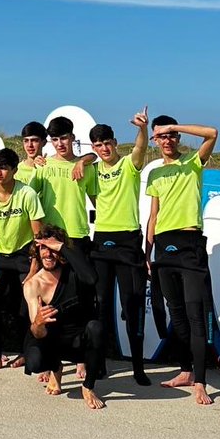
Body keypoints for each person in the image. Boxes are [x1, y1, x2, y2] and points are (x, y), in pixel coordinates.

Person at [144, 115, 219, 405]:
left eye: (170, 135)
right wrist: (147, 252)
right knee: (176, 316)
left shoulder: (192, 162)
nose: (166, 140)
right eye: (160, 136)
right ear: (154, 141)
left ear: (177, 137)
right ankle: (186, 371)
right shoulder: (154, 174)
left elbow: (212, 132)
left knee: (195, 316)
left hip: (190, 244)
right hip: (163, 246)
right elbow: (153, 215)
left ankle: (201, 382)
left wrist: (173, 126)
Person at [89, 108, 152, 386]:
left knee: (133, 305)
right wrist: (83, 160)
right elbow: (90, 194)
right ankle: (99, 363)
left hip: (128, 242)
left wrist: (141, 128)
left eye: (107, 143)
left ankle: (138, 367)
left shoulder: (129, 164)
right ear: (94, 147)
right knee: (100, 307)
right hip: (102, 241)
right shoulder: (92, 170)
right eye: (98, 145)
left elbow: (141, 146)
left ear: (115, 142)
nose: (104, 148)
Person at [0, 147, 45, 372]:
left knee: (28, 305)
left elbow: (38, 234)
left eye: (4, 167)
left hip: (25, 254)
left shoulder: (27, 194)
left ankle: (29, 353)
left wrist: (34, 267)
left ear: (14, 170)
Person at [23, 226, 106, 409]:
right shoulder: (33, 285)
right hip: (53, 340)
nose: (48, 254)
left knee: (96, 328)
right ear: (37, 251)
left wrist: (62, 247)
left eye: (52, 248)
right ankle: (55, 368)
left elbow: (92, 278)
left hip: (78, 340)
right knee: (34, 361)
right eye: (43, 248)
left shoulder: (74, 272)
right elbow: (37, 333)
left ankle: (88, 387)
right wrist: (38, 322)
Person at [30, 116, 98, 251]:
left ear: (72, 137)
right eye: (55, 139)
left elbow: (97, 203)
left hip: (77, 233)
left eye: (63, 138)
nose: (59, 144)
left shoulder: (87, 167)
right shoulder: (43, 165)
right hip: (50, 235)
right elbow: (29, 200)